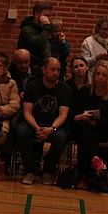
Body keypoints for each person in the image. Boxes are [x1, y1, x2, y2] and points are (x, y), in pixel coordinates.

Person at [16, 56, 72, 185]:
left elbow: (63, 115)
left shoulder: (65, 89)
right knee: (21, 131)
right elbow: (27, 112)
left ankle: (48, 170)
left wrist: (51, 129)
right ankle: (30, 170)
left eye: (58, 70)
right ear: (44, 69)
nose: (56, 73)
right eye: (52, 69)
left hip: (53, 125)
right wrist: (37, 128)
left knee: (61, 137)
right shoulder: (32, 85)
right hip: (34, 123)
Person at [69, 62, 108, 184]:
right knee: (83, 127)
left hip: (103, 130)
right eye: (97, 74)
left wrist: (95, 123)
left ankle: (83, 174)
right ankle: (95, 160)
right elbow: (73, 113)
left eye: (104, 75)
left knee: (85, 138)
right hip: (83, 127)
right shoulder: (85, 91)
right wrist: (80, 117)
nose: (100, 77)